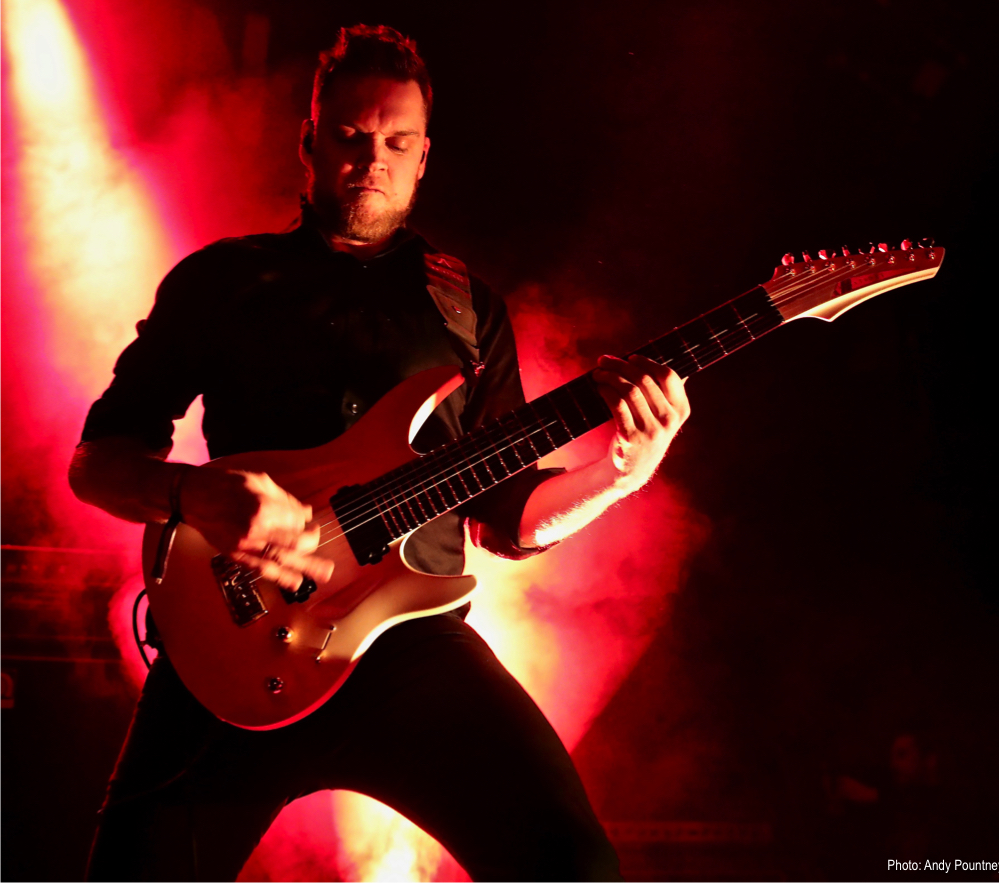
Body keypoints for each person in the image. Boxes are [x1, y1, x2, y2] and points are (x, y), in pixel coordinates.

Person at [69, 24, 689, 882]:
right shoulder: (219, 282)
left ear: (424, 156)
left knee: (574, 865)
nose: (372, 161)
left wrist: (620, 474)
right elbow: (96, 462)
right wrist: (196, 496)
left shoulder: (467, 307)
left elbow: (504, 517)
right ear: (310, 141)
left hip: (411, 651)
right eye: (351, 137)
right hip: (233, 644)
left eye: (397, 143)